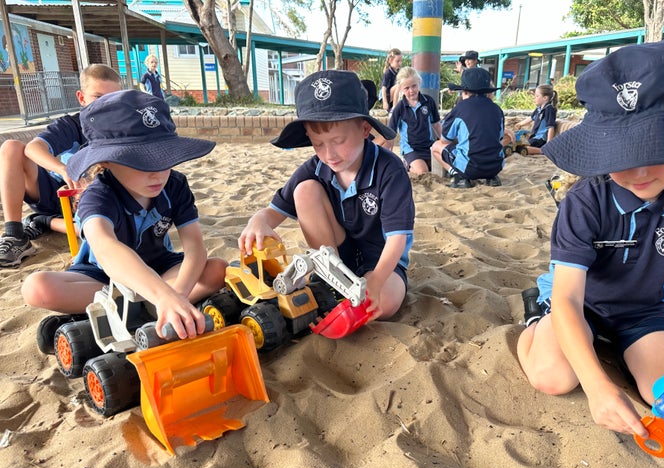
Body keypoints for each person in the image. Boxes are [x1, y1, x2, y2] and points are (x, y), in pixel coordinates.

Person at [516, 38, 664, 439]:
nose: (639, 170)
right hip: (579, 302)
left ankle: (624, 351)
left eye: (654, 148)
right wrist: (597, 388)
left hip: (644, 311)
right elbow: (570, 298)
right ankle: (537, 318)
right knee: (553, 377)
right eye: (622, 153)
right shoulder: (584, 201)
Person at [22, 90, 227, 349]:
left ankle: (153, 307)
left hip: (161, 267)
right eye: (140, 162)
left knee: (217, 268)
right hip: (102, 278)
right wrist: (163, 295)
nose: (156, 174)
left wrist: (178, 296)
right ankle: (148, 305)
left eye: (164, 159)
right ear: (107, 161)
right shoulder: (97, 195)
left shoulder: (175, 184)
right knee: (36, 287)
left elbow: (195, 247)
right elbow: (107, 250)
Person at [239, 70, 414, 321]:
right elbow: (272, 213)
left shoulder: (390, 169)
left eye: (338, 140)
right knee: (305, 190)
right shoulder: (316, 167)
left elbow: (397, 240)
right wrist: (258, 221)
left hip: (382, 261)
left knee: (384, 304)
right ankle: (329, 277)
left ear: (365, 129)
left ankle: (360, 287)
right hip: (336, 257)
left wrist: (376, 278)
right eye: (318, 144)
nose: (329, 153)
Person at [0, 63, 122, 267]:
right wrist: (64, 170)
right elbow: (33, 148)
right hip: (57, 191)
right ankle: (14, 235)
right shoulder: (72, 125)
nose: (106, 106)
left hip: (96, 198)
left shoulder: (124, 127)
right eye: (98, 98)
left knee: (106, 228)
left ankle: (43, 221)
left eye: (113, 99)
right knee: (11, 147)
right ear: (82, 98)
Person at [431, 67, 504, 189]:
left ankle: (459, 177)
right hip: (496, 166)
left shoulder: (460, 109)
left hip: (470, 168)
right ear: (488, 92)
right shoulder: (497, 110)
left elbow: (445, 139)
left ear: (464, 92)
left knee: (436, 147)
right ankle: (492, 178)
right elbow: (500, 139)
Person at [384, 67, 441, 175]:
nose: (411, 90)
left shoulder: (429, 102)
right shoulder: (400, 108)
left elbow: (436, 125)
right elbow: (390, 134)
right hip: (411, 149)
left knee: (438, 170)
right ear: (401, 89)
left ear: (419, 82)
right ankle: (407, 163)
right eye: (406, 88)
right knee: (423, 172)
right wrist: (387, 158)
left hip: (428, 146)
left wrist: (444, 144)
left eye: (414, 86)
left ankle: (415, 164)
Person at [513, 83, 558, 155]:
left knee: (521, 148)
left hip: (540, 139)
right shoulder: (539, 109)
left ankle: (542, 151)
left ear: (545, 98)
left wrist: (549, 145)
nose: (534, 98)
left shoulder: (549, 109)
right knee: (517, 140)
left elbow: (551, 128)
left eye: (537, 96)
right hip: (534, 137)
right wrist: (520, 124)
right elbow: (531, 118)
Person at [381, 48, 403, 114]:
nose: (400, 63)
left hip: (394, 96)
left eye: (401, 61)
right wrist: (385, 102)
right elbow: (383, 88)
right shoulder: (388, 73)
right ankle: (394, 107)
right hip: (387, 96)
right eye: (397, 61)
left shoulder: (398, 71)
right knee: (399, 85)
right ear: (390, 61)